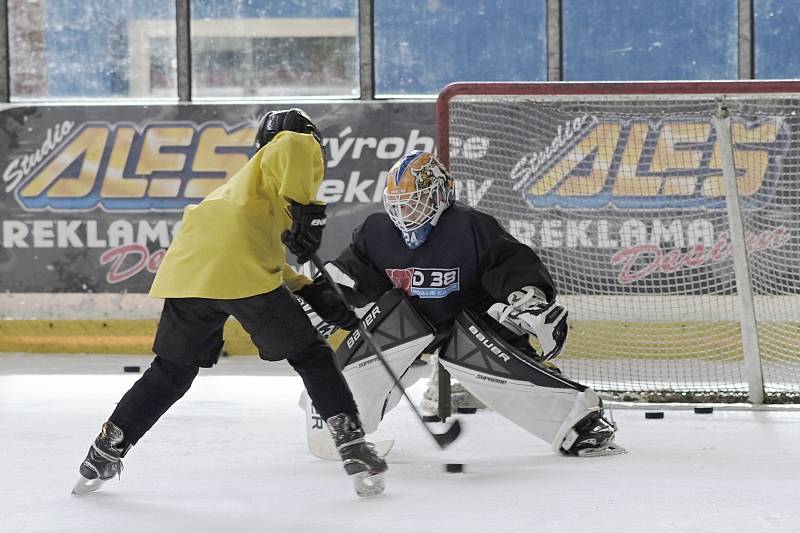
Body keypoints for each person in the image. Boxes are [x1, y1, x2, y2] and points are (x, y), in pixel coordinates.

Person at [72, 109, 387, 498]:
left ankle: (105, 450)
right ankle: (352, 444)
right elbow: (290, 144)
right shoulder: (296, 144)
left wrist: (308, 288)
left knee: (170, 372)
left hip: (190, 269)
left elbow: (250, 253)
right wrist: (308, 216)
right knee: (311, 355)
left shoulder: (242, 193)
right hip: (239, 272)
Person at [305, 150, 625, 457]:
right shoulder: (376, 232)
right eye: (399, 206)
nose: (407, 215)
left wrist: (528, 301)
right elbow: (349, 275)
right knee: (359, 359)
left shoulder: (469, 227)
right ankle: (340, 424)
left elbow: (509, 266)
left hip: (468, 325)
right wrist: (321, 300)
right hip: (405, 325)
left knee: (484, 358)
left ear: (440, 196)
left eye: (415, 204)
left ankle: (581, 424)